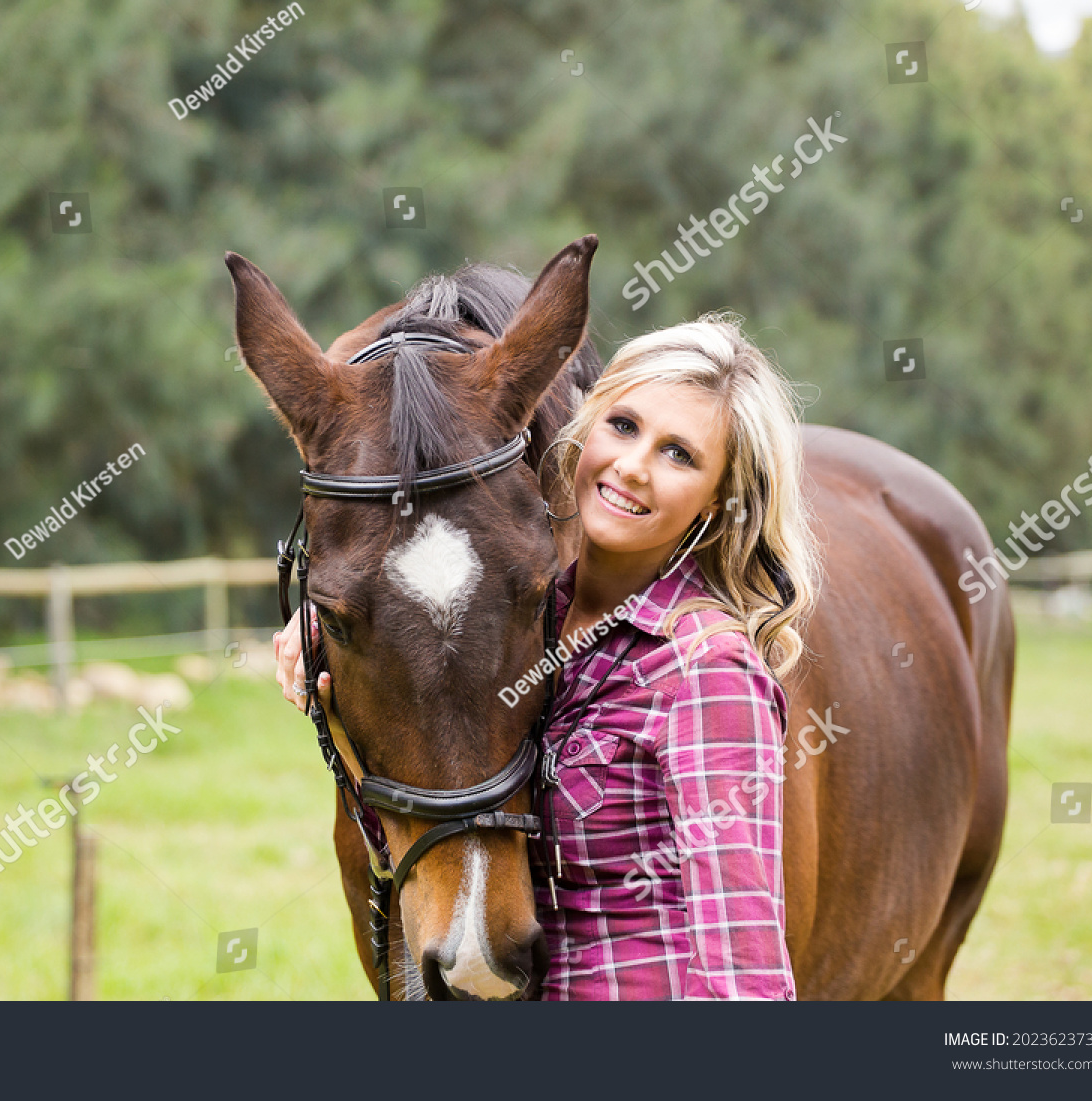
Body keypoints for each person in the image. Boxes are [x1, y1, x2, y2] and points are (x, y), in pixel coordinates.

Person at [274, 313, 820, 999]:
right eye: (623, 425)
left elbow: (749, 978)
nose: (633, 467)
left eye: (679, 454)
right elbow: (441, 632)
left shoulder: (706, 675)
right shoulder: (537, 626)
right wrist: (332, 622)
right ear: (584, 426)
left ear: (718, 500)